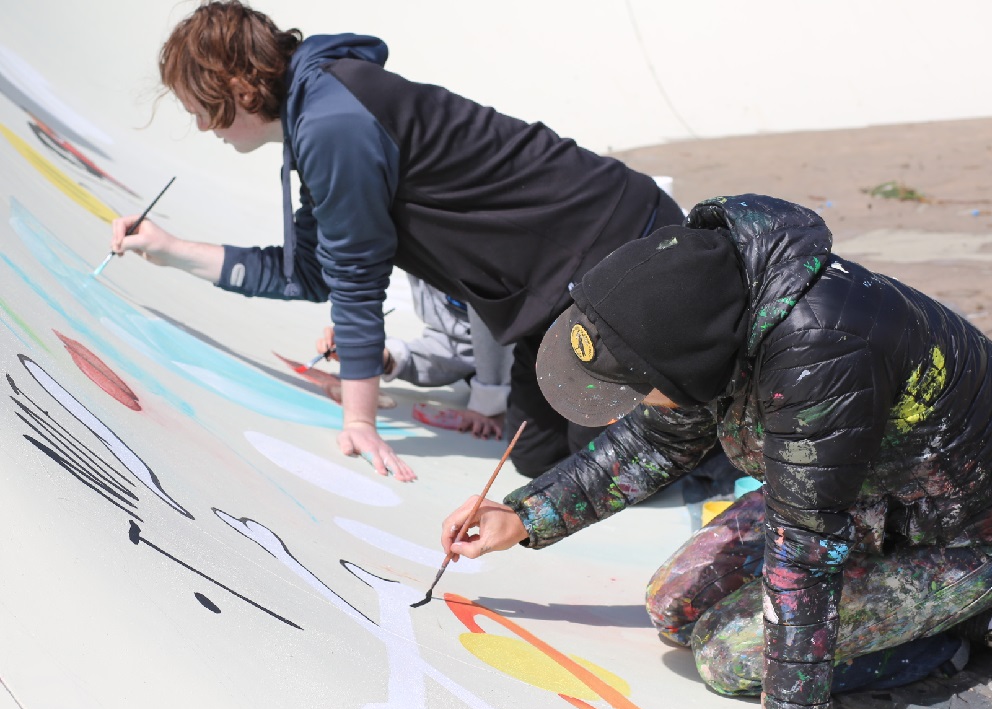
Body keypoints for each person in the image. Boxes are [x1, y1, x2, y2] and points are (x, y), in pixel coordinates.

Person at [440, 193, 992, 709]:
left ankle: (942, 640)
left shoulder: (819, 351)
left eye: (634, 389)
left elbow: (806, 544)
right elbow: (656, 442)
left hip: (961, 532)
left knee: (727, 658)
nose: (625, 406)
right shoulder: (708, 302)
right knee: (672, 605)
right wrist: (525, 516)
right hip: (858, 493)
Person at [109, 0, 685, 481]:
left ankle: (736, 441)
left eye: (202, 110)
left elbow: (357, 280)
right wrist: (168, 250)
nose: (205, 128)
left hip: (617, 251)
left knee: (617, 465)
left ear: (237, 84)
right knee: (538, 458)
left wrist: (360, 422)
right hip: (554, 293)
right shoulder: (323, 112)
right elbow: (311, 272)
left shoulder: (333, 123)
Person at [318, 274, 514, 439]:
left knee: (530, 459)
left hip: (536, 352)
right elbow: (457, 343)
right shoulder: (415, 251)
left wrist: (490, 398)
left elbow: (499, 290)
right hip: (499, 356)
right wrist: (382, 356)